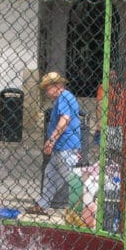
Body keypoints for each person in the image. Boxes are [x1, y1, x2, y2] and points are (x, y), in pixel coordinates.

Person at [30, 71, 82, 213]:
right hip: (61, 147)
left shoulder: (64, 97)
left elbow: (64, 120)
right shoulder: (64, 98)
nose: (47, 92)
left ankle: (83, 208)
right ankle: (42, 205)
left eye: (48, 88)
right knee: (50, 174)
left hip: (66, 145)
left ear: (56, 86)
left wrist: (51, 140)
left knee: (69, 177)